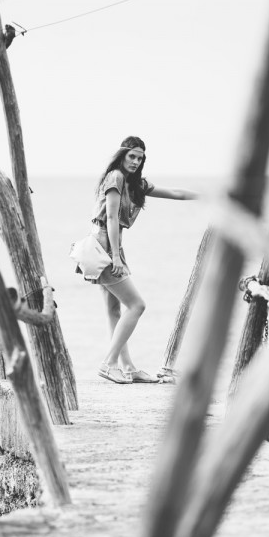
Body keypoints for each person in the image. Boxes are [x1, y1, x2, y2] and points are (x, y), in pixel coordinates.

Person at [87, 135, 198, 384]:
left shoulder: (136, 184)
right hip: (105, 245)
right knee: (137, 305)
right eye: (132, 156)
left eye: (140, 158)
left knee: (114, 309)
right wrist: (116, 257)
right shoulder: (115, 177)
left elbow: (176, 193)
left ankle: (128, 368)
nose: (136, 161)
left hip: (110, 244)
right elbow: (111, 218)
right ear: (122, 155)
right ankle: (108, 364)